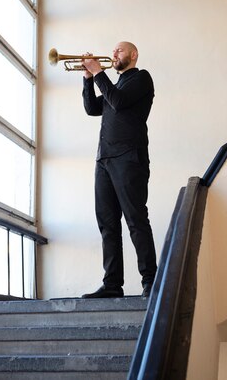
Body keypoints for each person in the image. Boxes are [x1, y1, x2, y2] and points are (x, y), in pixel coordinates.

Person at [80, 41, 157, 299]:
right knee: (108, 224)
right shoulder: (115, 85)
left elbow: (119, 102)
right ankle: (112, 284)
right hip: (104, 160)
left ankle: (151, 281)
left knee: (136, 220)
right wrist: (88, 78)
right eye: (113, 51)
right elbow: (92, 108)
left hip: (129, 158)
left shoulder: (141, 79)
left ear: (133, 55)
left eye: (119, 51)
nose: (114, 54)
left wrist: (99, 73)